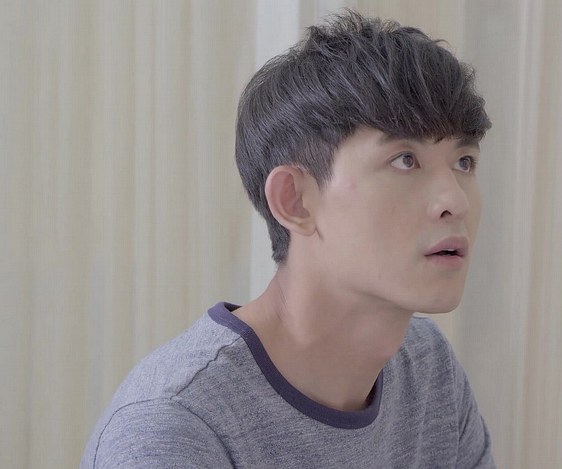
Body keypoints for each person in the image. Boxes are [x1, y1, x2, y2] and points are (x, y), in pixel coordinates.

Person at [82, 10, 494, 468]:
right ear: (294, 200)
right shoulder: (172, 429)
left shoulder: (429, 370)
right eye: (405, 160)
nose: (454, 200)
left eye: (464, 162)